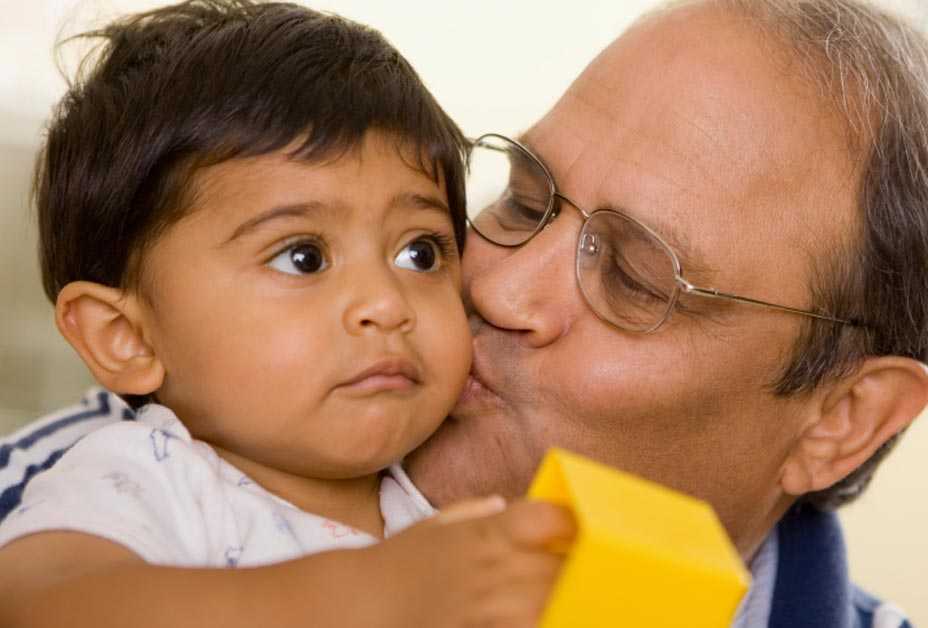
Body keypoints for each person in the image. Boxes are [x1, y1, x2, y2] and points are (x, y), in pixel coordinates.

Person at [3, 0, 928, 626]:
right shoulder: (125, 473)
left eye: (635, 279)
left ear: (843, 419)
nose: (493, 286)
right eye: (523, 200)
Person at [0, 2, 573, 627]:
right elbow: (38, 605)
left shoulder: (448, 512)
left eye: (420, 253)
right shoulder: (145, 477)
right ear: (128, 338)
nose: (386, 304)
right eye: (303, 258)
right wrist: (368, 594)